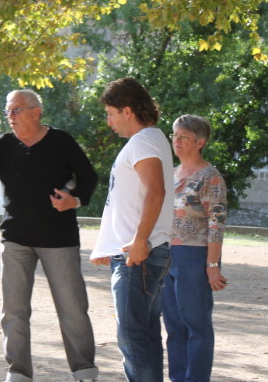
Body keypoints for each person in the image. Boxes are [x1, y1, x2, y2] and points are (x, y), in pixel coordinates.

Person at [0, 89, 99, 382]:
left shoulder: (61, 141)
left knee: (72, 308)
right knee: (13, 311)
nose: (10, 116)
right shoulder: (5, 144)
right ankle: (18, 371)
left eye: (16, 110)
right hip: (15, 238)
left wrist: (75, 199)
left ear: (35, 112)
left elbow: (88, 176)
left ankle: (84, 370)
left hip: (59, 239)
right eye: (8, 111)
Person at [90, 77, 174, 382]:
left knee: (134, 340)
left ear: (127, 110)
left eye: (111, 113)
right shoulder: (148, 140)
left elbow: (156, 191)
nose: (109, 121)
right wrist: (107, 247)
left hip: (139, 256)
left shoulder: (144, 141)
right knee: (144, 338)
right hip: (139, 254)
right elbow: (126, 201)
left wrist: (139, 241)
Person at [162, 115, 228, 382]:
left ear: (200, 142)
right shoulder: (170, 173)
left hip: (195, 257)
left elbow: (217, 224)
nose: (176, 141)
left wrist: (212, 267)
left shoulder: (210, 178)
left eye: (184, 137)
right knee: (174, 327)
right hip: (166, 255)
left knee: (196, 326)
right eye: (174, 135)